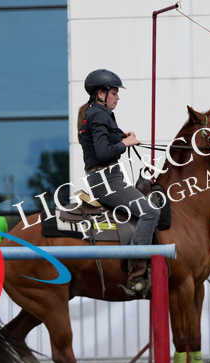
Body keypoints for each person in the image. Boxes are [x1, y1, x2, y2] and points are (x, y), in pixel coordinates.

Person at [77, 69, 160, 295]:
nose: (117, 97)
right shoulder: (99, 115)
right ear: (100, 94)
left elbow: (106, 139)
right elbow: (103, 152)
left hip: (108, 178)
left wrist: (123, 137)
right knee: (150, 211)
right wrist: (125, 143)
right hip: (107, 181)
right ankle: (137, 271)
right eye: (114, 92)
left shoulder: (96, 113)